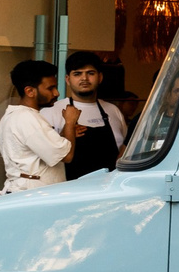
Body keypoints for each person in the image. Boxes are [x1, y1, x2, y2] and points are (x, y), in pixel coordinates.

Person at [44, 51, 134, 179]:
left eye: (90, 73)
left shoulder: (113, 111)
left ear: (100, 77)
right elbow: (47, 157)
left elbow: (125, 151)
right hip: (69, 191)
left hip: (109, 191)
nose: (84, 78)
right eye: (77, 74)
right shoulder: (52, 111)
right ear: (68, 80)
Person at [0, 60, 78, 195]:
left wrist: (65, 132)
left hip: (26, 191)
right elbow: (67, 156)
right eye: (50, 88)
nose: (56, 93)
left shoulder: (16, 115)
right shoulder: (27, 118)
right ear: (30, 91)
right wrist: (70, 122)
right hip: (32, 194)